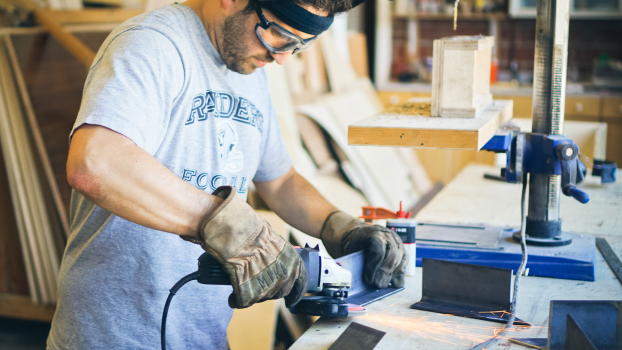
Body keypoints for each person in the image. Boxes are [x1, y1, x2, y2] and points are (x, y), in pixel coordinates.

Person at [47, 0, 407, 348]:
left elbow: (279, 180)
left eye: (298, 45)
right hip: (115, 336)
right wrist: (235, 232)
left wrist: (340, 227)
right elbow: (96, 163)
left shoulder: (248, 67)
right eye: (278, 34)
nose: (281, 58)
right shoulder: (152, 44)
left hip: (203, 335)